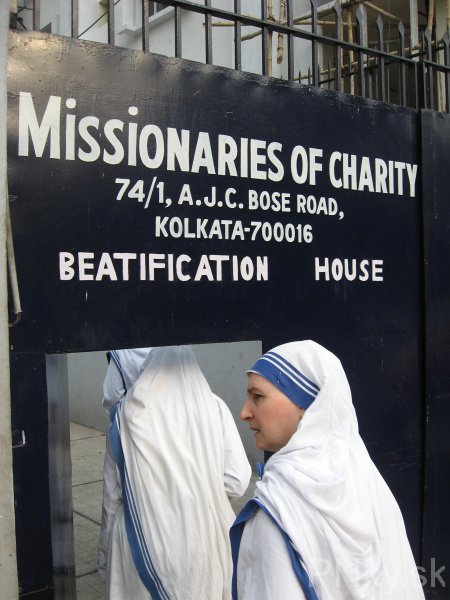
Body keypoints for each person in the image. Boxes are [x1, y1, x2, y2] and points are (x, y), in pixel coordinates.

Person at [231, 340, 424, 600]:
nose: (244, 412)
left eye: (258, 397)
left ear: (306, 406)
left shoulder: (279, 506)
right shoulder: (370, 485)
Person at [106, 345, 252, 600]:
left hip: (140, 540)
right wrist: (199, 495)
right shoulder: (215, 406)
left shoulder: (124, 416)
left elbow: (112, 495)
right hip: (201, 540)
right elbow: (237, 481)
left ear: (148, 367)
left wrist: (103, 556)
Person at [98, 347, 153, 582]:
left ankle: (109, 568)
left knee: (114, 498)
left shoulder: (124, 350)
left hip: (126, 431)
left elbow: (111, 395)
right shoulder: (174, 347)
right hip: (163, 435)